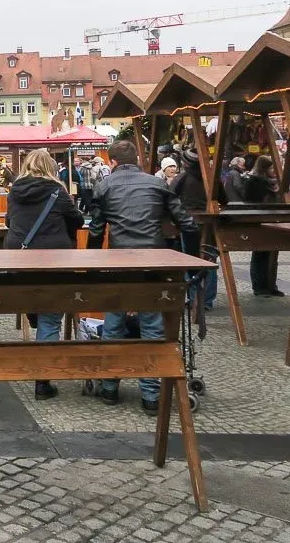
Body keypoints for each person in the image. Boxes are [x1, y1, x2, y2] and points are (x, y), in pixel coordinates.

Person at [86, 139, 196, 415]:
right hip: (153, 263)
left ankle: (110, 385)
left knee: (113, 324)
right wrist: (191, 262)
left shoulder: (104, 186)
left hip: (119, 264)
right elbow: (187, 224)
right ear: (137, 159)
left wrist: (91, 264)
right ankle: (151, 393)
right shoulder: (157, 184)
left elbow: (97, 231)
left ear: (111, 162)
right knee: (152, 325)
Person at [4, 149, 84, 400]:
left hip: (20, 259)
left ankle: (34, 313)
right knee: (51, 316)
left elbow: (9, 222)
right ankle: (42, 380)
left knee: (31, 297)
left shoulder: (14, 192)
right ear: (50, 167)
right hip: (53, 260)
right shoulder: (57, 191)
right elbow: (77, 221)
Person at [168, 148, 219, 309]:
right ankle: (206, 300)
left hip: (188, 224)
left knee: (190, 260)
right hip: (209, 223)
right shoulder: (211, 178)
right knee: (208, 260)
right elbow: (224, 197)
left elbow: (170, 197)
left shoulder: (181, 178)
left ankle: (193, 297)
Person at [242, 155, 283, 297]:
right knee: (260, 253)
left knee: (272, 253)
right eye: (271, 168)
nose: (274, 171)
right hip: (258, 220)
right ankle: (259, 286)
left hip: (273, 220)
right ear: (264, 168)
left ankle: (271, 285)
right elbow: (248, 200)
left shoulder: (273, 182)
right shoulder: (253, 181)